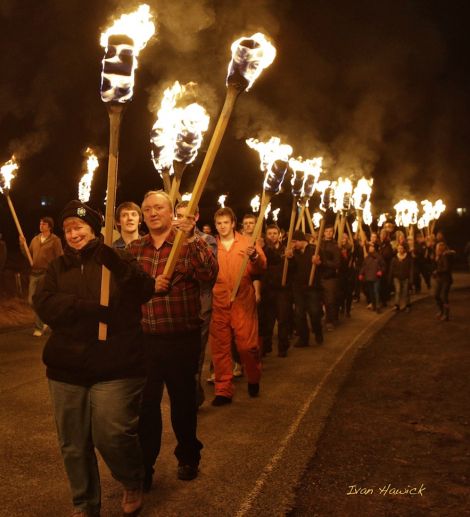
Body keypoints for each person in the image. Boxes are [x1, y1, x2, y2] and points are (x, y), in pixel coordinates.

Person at [33, 200, 155, 517]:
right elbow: (45, 304)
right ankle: (84, 503)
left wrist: (116, 263)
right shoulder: (57, 268)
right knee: (72, 443)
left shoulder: (117, 259)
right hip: (67, 367)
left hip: (117, 363)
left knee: (111, 434)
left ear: (94, 228)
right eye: (68, 229)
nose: (74, 233)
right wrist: (83, 308)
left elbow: (145, 289)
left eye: (80, 226)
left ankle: (131, 480)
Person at [127, 190, 218, 489]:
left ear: (171, 213)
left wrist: (192, 238)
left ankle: (188, 455)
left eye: (159, 208)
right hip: (145, 341)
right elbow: (123, 290)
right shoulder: (135, 249)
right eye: (148, 209)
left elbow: (209, 274)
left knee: (182, 402)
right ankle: (146, 465)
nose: (153, 213)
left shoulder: (187, 244)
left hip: (181, 338)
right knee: (146, 406)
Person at [209, 207, 266, 406]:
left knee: (247, 346)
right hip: (218, 302)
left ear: (233, 223)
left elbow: (261, 267)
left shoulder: (247, 242)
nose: (222, 226)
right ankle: (223, 390)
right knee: (220, 348)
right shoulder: (211, 245)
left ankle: (253, 377)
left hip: (242, 302)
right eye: (219, 223)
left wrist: (255, 257)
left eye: (226, 222)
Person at [175, 200, 217, 408]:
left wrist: (190, 241)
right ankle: (192, 393)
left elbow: (207, 272)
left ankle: (191, 396)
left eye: (187, 216)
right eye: (178, 215)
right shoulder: (170, 239)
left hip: (200, 302)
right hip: (178, 305)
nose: (182, 220)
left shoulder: (207, 240)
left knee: (196, 352)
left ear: (196, 218)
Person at [20, 217, 63, 336]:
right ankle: (44, 320)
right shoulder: (35, 239)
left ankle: (39, 327)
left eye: (44, 224)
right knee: (31, 300)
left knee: (41, 300)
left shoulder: (55, 240)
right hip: (34, 273)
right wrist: (22, 244)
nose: (41, 225)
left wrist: (57, 274)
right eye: (40, 223)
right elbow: (27, 254)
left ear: (49, 226)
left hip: (46, 274)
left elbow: (60, 257)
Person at [287, 230, 324, 347]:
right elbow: (291, 271)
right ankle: (304, 338)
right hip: (299, 289)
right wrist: (290, 259)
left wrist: (319, 263)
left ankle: (318, 332)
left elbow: (325, 267)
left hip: (312, 287)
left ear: (302, 240)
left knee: (314, 312)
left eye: (294, 242)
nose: (293, 245)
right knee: (299, 314)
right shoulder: (294, 253)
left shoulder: (315, 250)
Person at [260, 224, 292, 357]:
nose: (272, 236)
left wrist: (291, 259)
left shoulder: (287, 249)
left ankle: (283, 347)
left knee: (283, 319)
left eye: (274, 233)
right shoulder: (264, 249)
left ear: (279, 234)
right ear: (266, 235)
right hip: (268, 290)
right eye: (269, 233)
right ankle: (266, 346)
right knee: (268, 320)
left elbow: (293, 269)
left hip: (282, 290)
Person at [318, 224, 341, 331]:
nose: (328, 233)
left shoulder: (335, 247)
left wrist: (324, 262)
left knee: (330, 300)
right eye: (326, 231)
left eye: (330, 231)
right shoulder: (319, 244)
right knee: (318, 300)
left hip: (329, 277)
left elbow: (337, 264)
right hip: (318, 276)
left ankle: (330, 321)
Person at [359, 243, 385, 313]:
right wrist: (361, 274)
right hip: (368, 277)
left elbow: (383, 265)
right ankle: (374, 305)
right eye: (370, 247)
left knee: (376, 291)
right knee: (371, 292)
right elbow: (363, 266)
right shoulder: (367, 258)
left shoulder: (378, 257)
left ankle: (377, 306)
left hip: (376, 277)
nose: (371, 248)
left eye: (372, 247)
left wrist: (380, 271)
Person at [389, 243, 413, 312]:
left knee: (406, 292)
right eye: (398, 248)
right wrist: (390, 278)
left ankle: (407, 305)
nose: (400, 250)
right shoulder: (394, 259)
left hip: (405, 277)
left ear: (404, 249)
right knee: (398, 291)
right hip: (397, 277)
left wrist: (411, 279)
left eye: (401, 248)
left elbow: (410, 269)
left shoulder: (408, 258)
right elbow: (391, 269)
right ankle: (396, 305)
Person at [433, 241, 454, 321]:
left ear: (440, 249)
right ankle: (441, 311)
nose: (436, 250)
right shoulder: (439, 256)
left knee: (444, 297)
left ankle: (446, 314)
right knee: (436, 295)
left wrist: (437, 271)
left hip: (446, 279)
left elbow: (446, 268)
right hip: (440, 279)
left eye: (437, 248)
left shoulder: (445, 256)